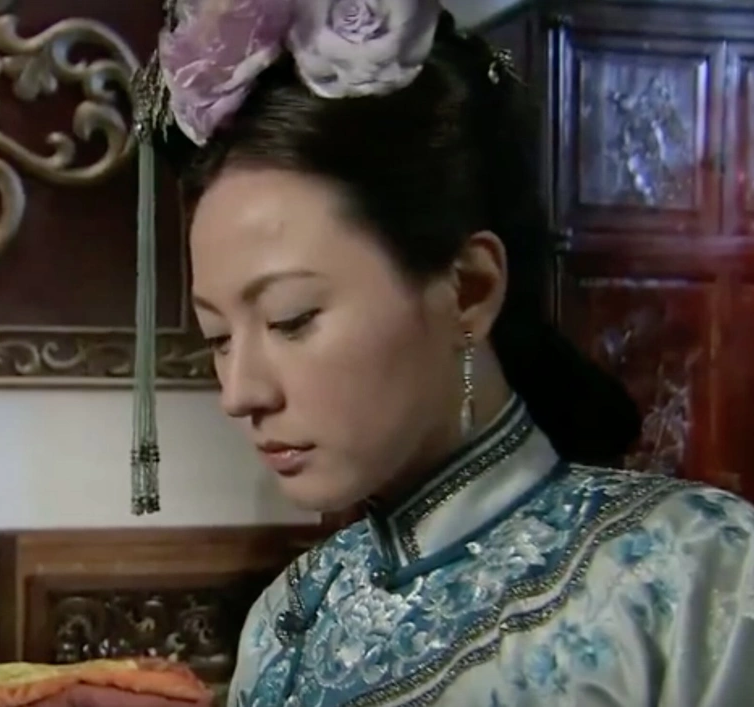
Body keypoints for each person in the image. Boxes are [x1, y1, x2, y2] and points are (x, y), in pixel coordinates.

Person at [131, 1, 754, 705]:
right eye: (218, 337)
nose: (240, 392)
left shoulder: (699, 572)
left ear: (468, 289)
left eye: (291, 318)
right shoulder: (286, 622)